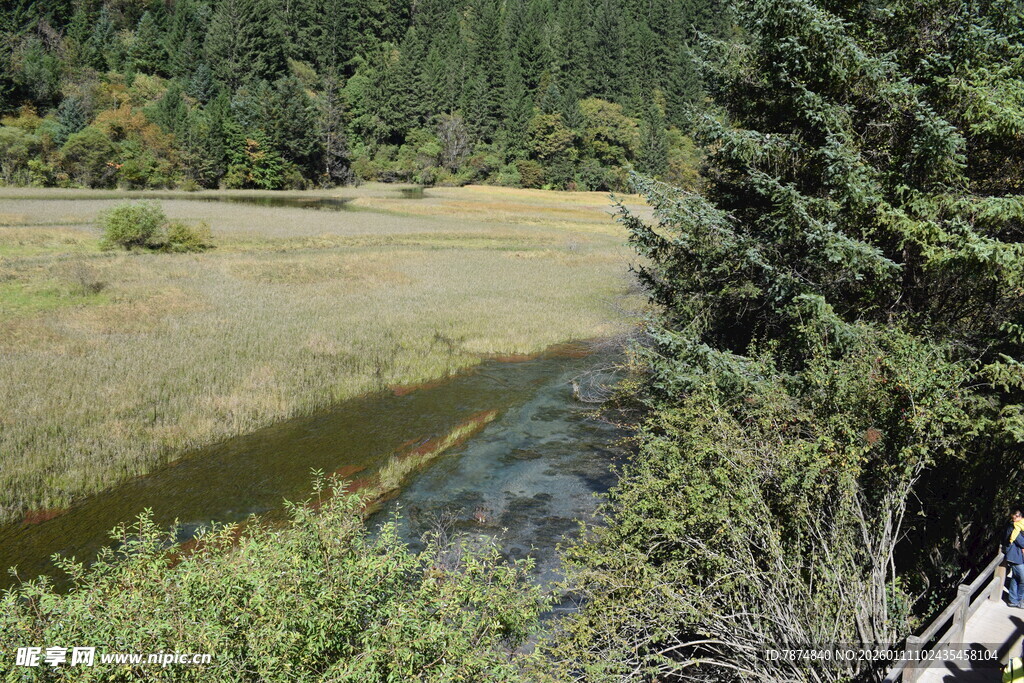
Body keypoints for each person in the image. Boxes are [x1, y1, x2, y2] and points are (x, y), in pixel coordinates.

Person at [1004, 509, 1024, 608]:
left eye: (1016, 516)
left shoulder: (1020, 525)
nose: (1014, 518)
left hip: (1019, 556)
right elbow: (1022, 542)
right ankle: (1019, 600)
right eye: (1013, 516)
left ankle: (1013, 600)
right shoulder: (1013, 527)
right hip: (1015, 556)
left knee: (1016, 578)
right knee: (1022, 578)